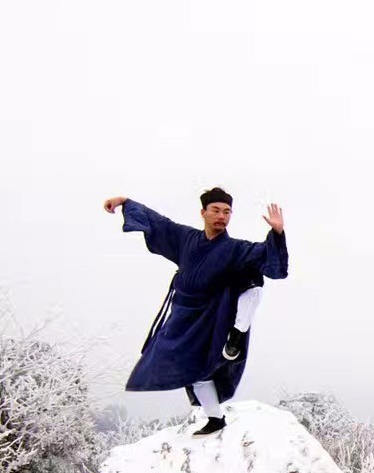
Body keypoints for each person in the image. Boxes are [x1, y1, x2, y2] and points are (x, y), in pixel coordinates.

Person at [104, 187, 289, 436]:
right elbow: (160, 223)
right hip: (184, 313)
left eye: (227, 212)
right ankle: (215, 419)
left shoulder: (236, 248)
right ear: (203, 212)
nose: (222, 216)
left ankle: (235, 335)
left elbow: (270, 262)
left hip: (216, 314)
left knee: (252, 283)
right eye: (216, 210)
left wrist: (277, 233)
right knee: (193, 372)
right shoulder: (185, 238)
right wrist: (124, 202)